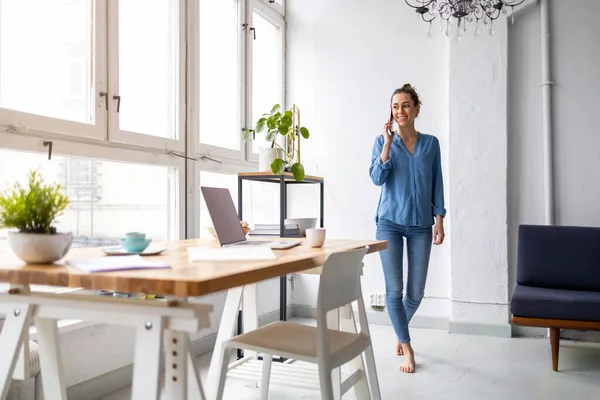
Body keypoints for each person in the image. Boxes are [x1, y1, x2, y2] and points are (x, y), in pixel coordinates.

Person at [369, 84, 446, 373]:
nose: (399, 111)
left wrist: (439, 217)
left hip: (421, 225)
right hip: (388, 222)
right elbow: (376, 178)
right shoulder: (382, 142)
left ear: (415, 109)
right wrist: (388, 144)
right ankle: (407, 347)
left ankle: (400, 331)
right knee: (394, 290)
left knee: (415, 293)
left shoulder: (431, 144)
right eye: (395, 106)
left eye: (405, 105)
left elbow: (437, 182)